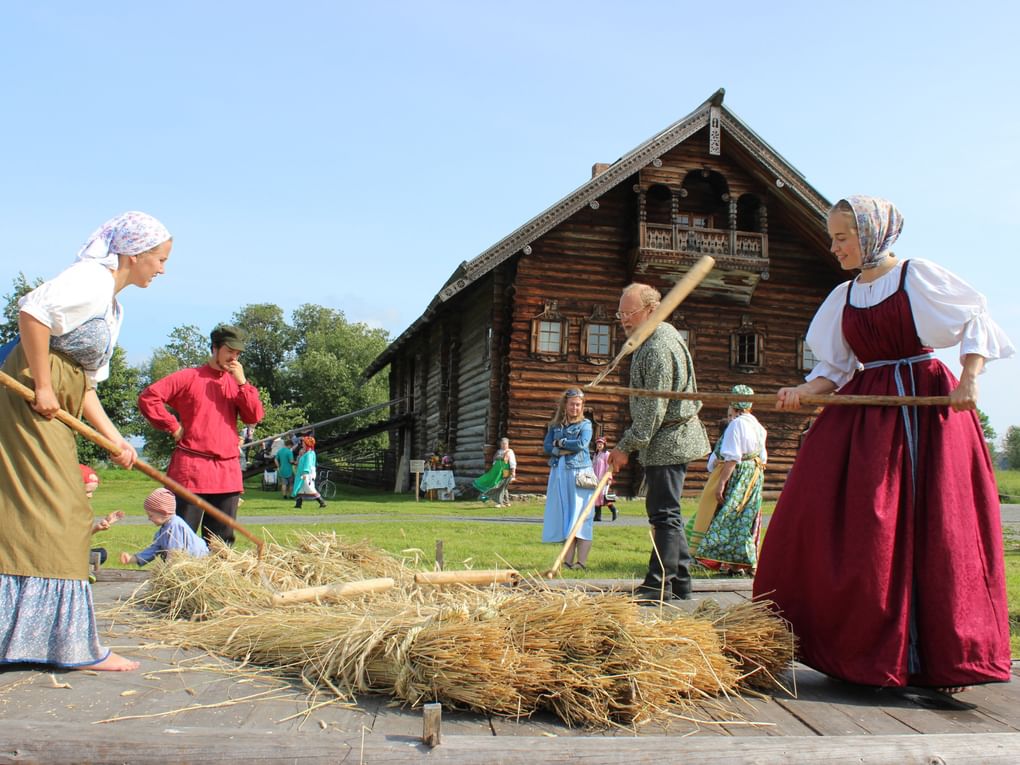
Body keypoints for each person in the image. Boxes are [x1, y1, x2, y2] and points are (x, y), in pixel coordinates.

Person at [753, 195, 1013, 692]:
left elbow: (976, 319)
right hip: (867, 411)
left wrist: (970, 379)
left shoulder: (917, 277)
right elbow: (833, 369)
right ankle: (860, 652)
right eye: (832, 237)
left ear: (872, 234)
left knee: (934, 522)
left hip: (924, 406)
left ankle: (940, 657)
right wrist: (802, 392)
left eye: (842, 237)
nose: (834, 248)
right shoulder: (842, 298)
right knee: (849, 520)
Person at [0, 210, 172, 672]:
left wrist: (116, 440)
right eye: (159, 258)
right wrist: (42, 386)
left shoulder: (113, 306)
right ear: (133, 255)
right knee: (65, 508)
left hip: (61, 398)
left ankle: (33, 638)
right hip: (30, 398)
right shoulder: (91, 279)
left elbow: (88, 387)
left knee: (46, 508)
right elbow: (33, 313)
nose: (162, 268)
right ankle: (70, 646)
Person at [607, 283, 710, 602]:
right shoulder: (655, 336)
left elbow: (653, 409)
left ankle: (658, 583)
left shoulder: (657, 347)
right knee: (667, 511)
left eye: (629, 313)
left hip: (669, 439)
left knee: (663, 512)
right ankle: (680, 581)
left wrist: (625, 446)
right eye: (620, 313)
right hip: (667, 438)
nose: (624, 319)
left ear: (651, 310)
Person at [138, 323, 264, 546]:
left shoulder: (237, 384)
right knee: (180, 538)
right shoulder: (189, 377)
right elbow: (149, 397)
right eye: (229, 351)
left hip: (227, 472)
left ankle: (218, 580)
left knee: (221, 542)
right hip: (191, 469)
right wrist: (172, 425)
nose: (234, 357)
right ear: (214, 348)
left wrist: (243, 383)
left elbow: (253, 416)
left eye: (237, 353)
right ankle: (177, 579)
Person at [686, 385, 767, 575]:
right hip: (754, 476)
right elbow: (762, 457)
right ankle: (738, 564)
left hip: (738, 476)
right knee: (745, 518)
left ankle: (713, 558)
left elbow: (732, 458)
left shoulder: (737, 424)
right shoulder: (756, 424)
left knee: (727, 515)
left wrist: (721, 483)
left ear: (734, 404)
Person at [542, 388, 596, 571]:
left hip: (579, 473)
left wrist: (561, 443)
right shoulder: (555, 425)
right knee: (566, 516)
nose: (575, 408)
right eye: (572, 404)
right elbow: (547, 447)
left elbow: (582, 444)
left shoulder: (585, 424)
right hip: (559, 472)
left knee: (581, 515)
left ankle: (581, 563)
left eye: (578, 405)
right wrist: (560, 448)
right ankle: (567, 562)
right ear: (565, 404)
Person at [120, 488, 209, 566]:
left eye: (151, 515)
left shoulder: (175, 526)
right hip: (186, 563)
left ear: (164, 512)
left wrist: (168, 569)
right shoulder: (164, 529)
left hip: (198, 561)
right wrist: (133, 558)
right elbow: (154, 549)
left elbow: (175, 553)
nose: (149, 519)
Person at [292, 435, 327, 509]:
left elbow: (308, 464)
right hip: (302, 473)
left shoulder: (309, 454)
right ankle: (298, 504)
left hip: (306, 474)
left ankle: (322, 502)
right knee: (300, 488)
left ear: (307, 444)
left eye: (304, 443)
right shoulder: (307, 453)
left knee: (310, 489)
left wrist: (305, 473)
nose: (302, 444)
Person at [591, 436, 618, 522]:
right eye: (598, 443)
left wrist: (609, 478)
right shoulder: (595, 455)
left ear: (604, 445)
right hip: (596, 479)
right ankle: (597, 516)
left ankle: (614, 510)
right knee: (596, 497)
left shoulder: (607, 454)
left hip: (604, 479)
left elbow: (610, 467)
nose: (599, 445)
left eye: (601, 443)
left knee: (603, 496)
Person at [491, 437, 517, 507]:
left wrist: (513, 472)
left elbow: (512, 462)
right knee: (503, 486)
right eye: (502, 444)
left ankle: (499, 502)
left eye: (505, 444)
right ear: (500, 444)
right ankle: (506, 502)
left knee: (502, 486)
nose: (504, 445)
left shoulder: (510, 451)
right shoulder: (498, 452)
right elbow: (494, 462)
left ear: (508, 444)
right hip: (498, 471)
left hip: (506, 471)